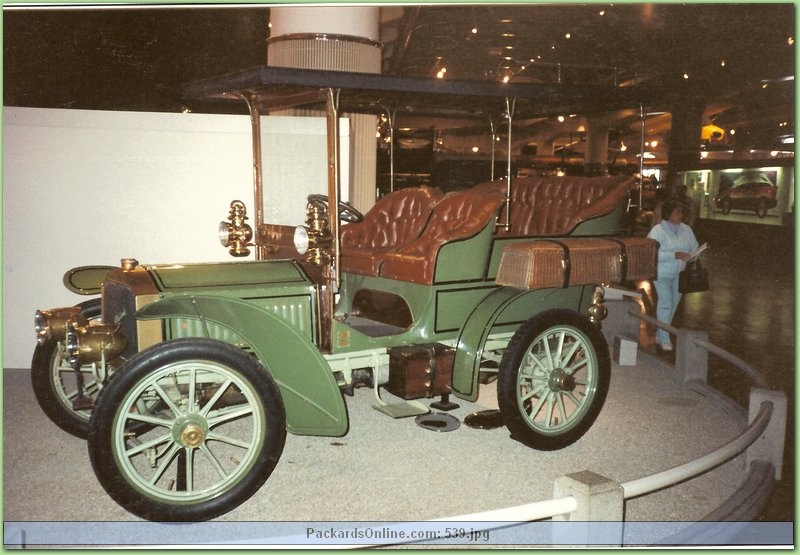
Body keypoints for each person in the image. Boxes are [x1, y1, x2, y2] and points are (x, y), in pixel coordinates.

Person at [647, 200, 699, 352]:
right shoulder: (657, 231)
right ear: (668, 214)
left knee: (673, 306)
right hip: (662, 273)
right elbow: (651, 253)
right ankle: (664, 339)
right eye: (677, 212)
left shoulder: (686, 230)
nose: (680, 215)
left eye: (681, 212)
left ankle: (659, 333)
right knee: (666, 304)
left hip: (679, 274)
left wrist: (693, 256)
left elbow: (693, 247)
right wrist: (674, 255)